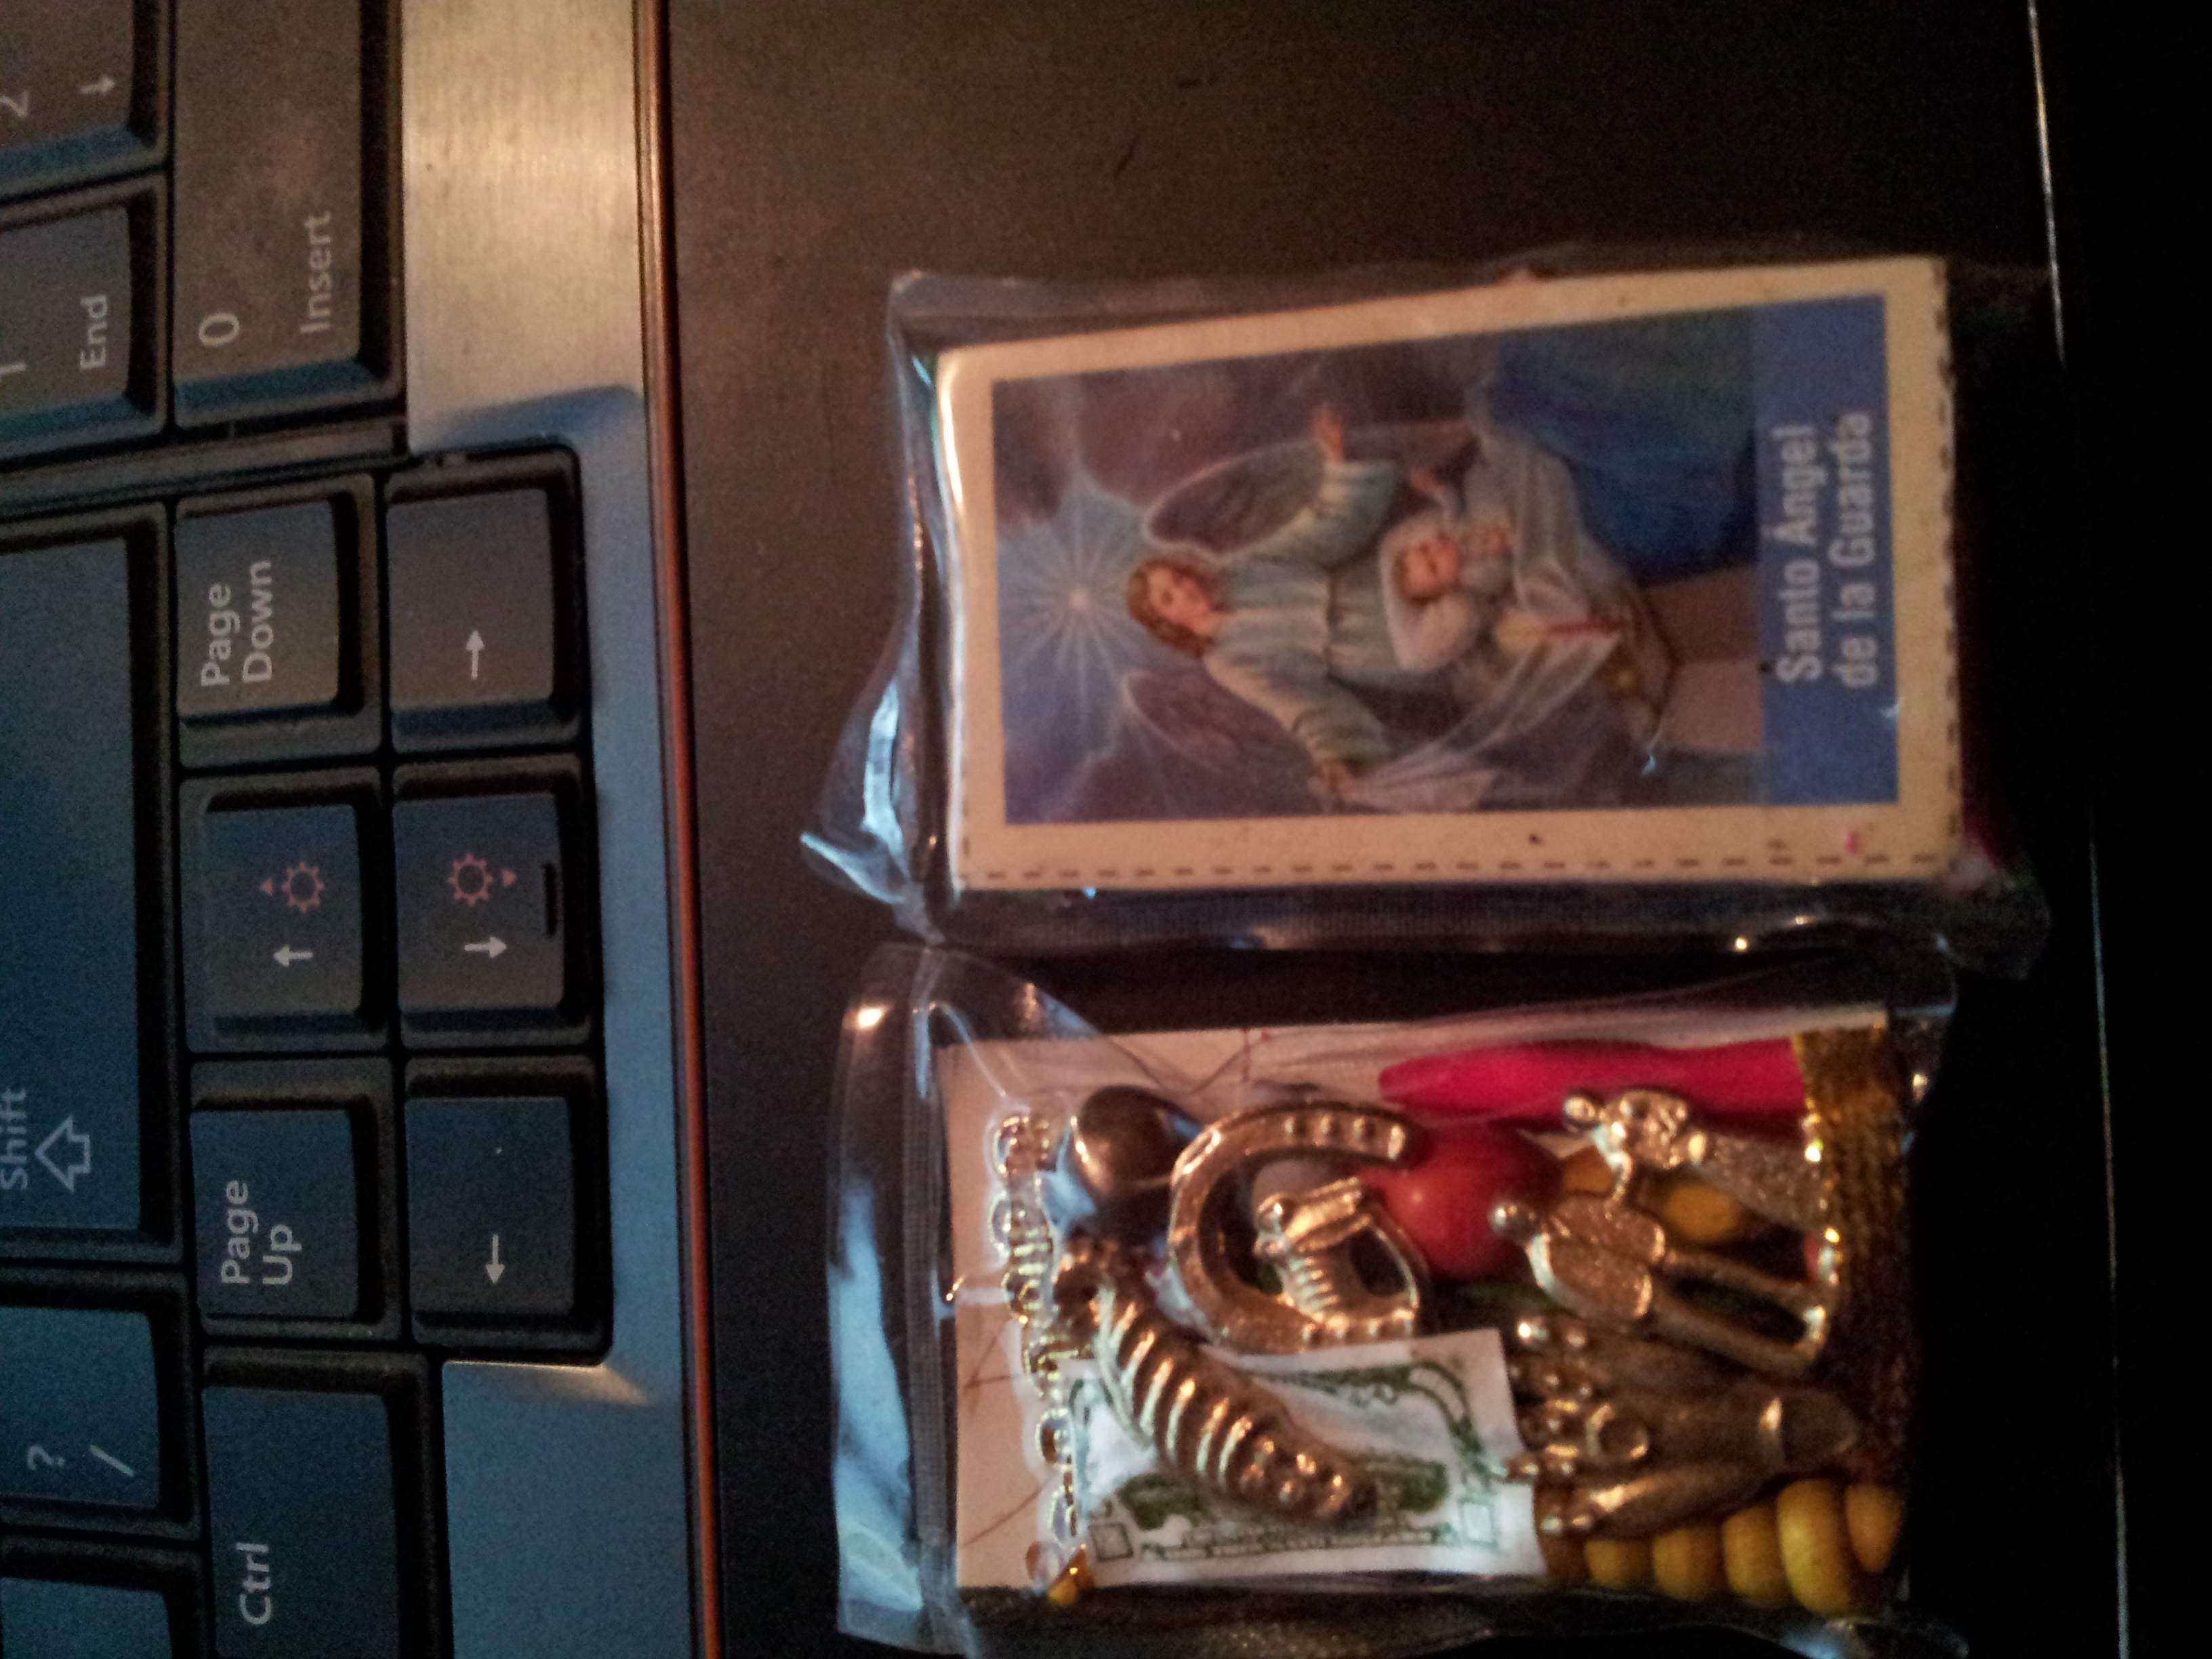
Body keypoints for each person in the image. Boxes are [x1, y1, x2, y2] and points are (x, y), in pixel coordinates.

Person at [1126, 405, 1448, 800]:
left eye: (1178, 577)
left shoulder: (1243, 569)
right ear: (1168, 621)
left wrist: (1340, 466)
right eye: (1168, 597)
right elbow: (1299, 704)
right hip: (1379, 646)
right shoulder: (1227, 660)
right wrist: (1335, 754)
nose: (1184, 588)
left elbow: (1324, 529)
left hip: (1377, 581)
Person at [1378, 431, 1667, 749]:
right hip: (1521, 568)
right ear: (1446, 589)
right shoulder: (1473, 579)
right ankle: (1626, 687)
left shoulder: (1452, 531)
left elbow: (1452, 508)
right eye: (1434, 568)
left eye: (1425, 550)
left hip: (1505, 531)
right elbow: (1498, 576)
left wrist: (1437, 489)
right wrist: (1501, 545)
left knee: (1486, 479)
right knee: (1569, 625)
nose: (1436, 552)